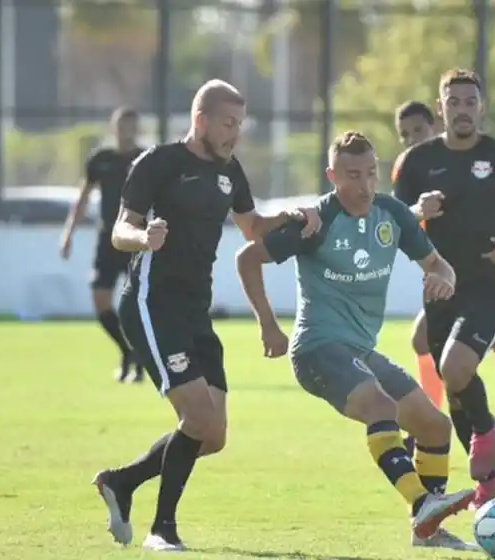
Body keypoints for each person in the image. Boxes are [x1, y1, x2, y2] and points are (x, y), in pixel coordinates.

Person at [90, 79, 320, 552]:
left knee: (212, 435)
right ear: (201, 120)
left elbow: (252, 226)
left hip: (196, 309)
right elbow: (120, 230)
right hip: (153, 304)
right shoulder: (158, 162)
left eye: (240, 124)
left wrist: (292, 215)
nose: (235, 133)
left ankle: (122, 481)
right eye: (228, 123)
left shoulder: (230, 170)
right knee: (197, 416)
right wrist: (144, 238)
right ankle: (162, 530)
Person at [236, 131, 478, 551]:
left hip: (361, 351)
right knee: (381, 407)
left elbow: (440, 265)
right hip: (317, 349)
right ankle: (423, 504)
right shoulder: (317, 221)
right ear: (332, 176)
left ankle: (428, 532)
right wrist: (268, 326)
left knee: (435, 426)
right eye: (353, 175)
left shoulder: (392, 213)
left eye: (370, 173)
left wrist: (444, 280)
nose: (365, 185)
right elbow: (247, 258)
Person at [392, 68, 495, 509]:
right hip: (439, 285)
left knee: (456, 367)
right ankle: (488, 479)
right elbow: (393, 219)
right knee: (454, 383)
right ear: (440, 108)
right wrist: (416, 210)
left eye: (470, 102)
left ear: (482, 107)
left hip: (489, 281)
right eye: (453, 102)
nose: (462, 110)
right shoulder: (416, 161)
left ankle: (486, 431)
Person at [60, 107, 145, 383]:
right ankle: (127, 351)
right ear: (113, 128)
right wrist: (69, 233)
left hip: (135, 239)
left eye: (131, 126)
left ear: (138, 129)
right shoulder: (101, 160)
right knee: (100, 300)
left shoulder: (146, 159)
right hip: (107, 240)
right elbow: (83, 198)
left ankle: (141, 363)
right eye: (121, 125)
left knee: (134, 305)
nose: (126, 131)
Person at [394, 101, 444, 455]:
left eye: (418, 131)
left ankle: (426, 426)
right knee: (423, 340)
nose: (412, 139)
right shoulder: (409, 168)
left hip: (474, 272)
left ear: (435, 126)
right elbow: (399, 218)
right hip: (440, 272)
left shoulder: (454, 159)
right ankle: (427, 424)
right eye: (405, 135)